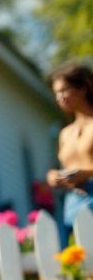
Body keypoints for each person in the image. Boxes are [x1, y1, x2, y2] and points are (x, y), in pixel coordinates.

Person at [47, 62, 93, 241]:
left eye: (64, 90)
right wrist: (54, 176)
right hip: (73, 200)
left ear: (82, 88)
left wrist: (87, 173)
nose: (60, 97)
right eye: (56, 93)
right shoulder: (65, 133)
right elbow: (66, 167)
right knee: (79, 260)